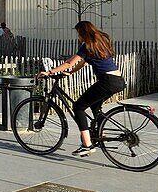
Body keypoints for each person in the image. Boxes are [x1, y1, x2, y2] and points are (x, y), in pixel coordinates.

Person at [40, 20, 125, 156]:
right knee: (94, 106)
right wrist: (71, 72)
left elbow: (69, 63)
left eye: (78, 33)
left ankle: (87, 145)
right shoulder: (101, 42)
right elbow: (83, 62)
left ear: (83, 33)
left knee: (78, 107)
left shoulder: (86, 47)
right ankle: (100, 133)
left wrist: (50, 72)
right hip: (118, 80)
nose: (77, 36)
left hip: (107, 81)